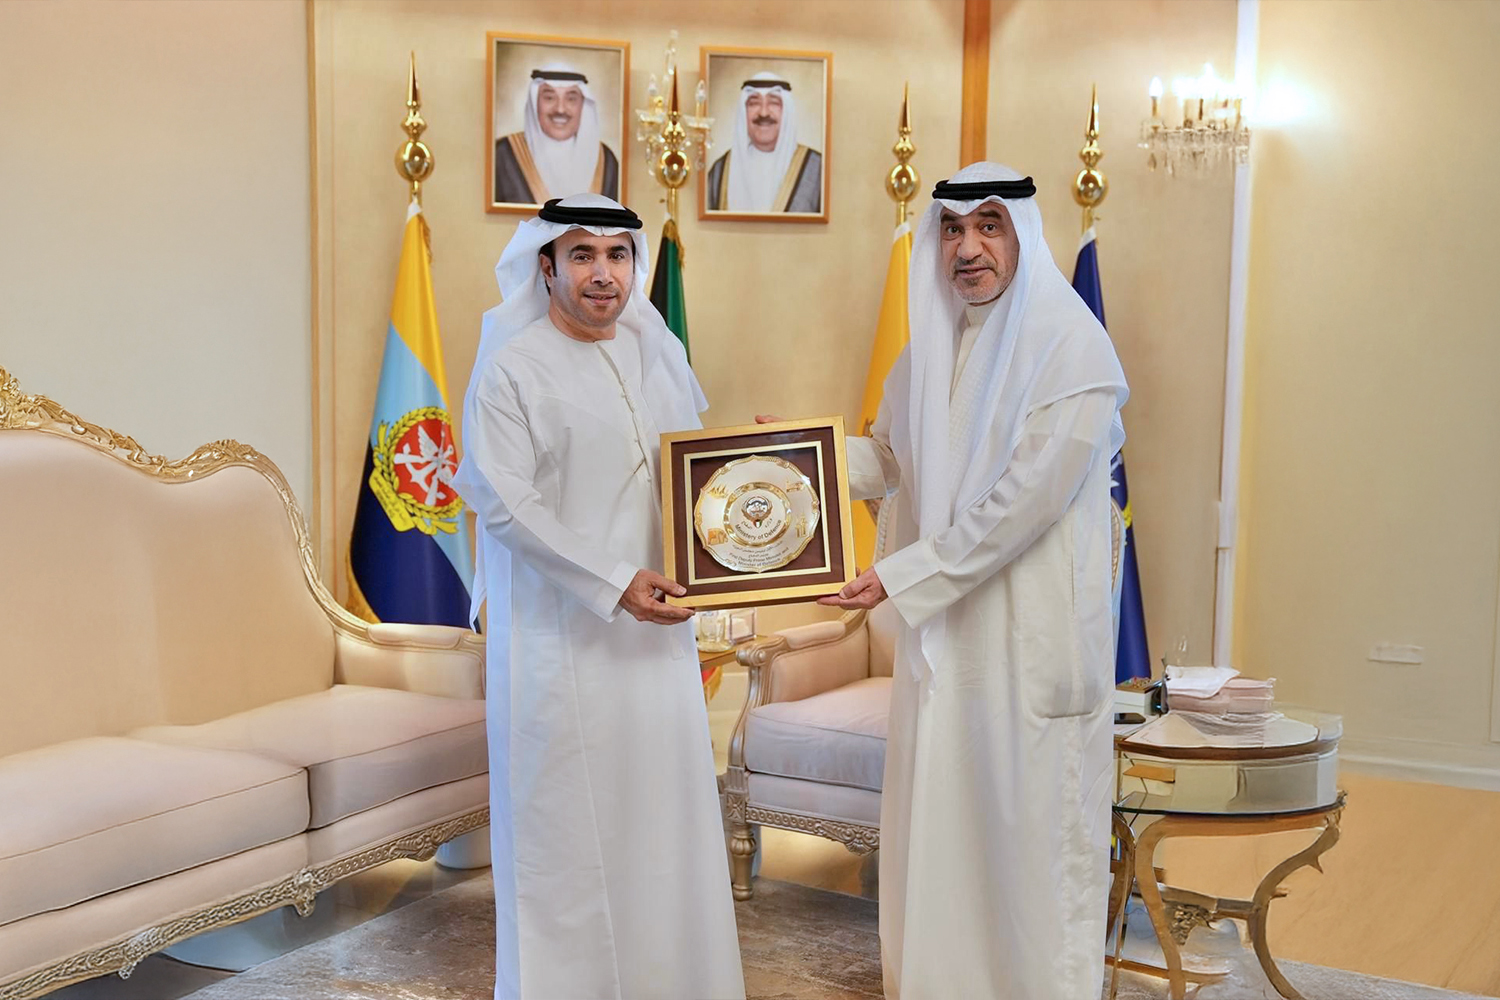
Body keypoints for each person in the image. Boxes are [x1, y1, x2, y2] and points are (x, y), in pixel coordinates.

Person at [765, 162, 1129, 998]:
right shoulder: (930, 346)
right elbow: (890, 458)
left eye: (989, 227)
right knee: (938, 835)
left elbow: (1023, 504)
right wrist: (799, 459)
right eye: (954, 231)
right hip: (943, 644)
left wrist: (901, 575)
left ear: (1022, 235)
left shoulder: (1073, 348)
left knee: (1021, 848)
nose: (968, 249)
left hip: (1026, 647)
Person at [451, 193, 744, 1000]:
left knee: (662, 832)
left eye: (617, 255)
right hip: (562, 648)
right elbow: (505, 503)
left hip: (656, 643)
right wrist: (615, 583)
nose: (603, 273)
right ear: (545, 267)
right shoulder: (512, 368)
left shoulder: (657, 353)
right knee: (570, 843)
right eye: (581, 255)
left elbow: (691, 485)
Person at [493, 63, 620, 205]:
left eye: (571, 99)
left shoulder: (605, 159)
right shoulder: (503, 153)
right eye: (549, 98)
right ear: (535, 103)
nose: (560, 109)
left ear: (583, 105)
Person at [705, 71, 822, 213]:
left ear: (787, 111)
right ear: (744, 112)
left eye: (774, 103)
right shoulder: (720, 171)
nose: (764, 113)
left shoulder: (817, 168)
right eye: (754, 103)